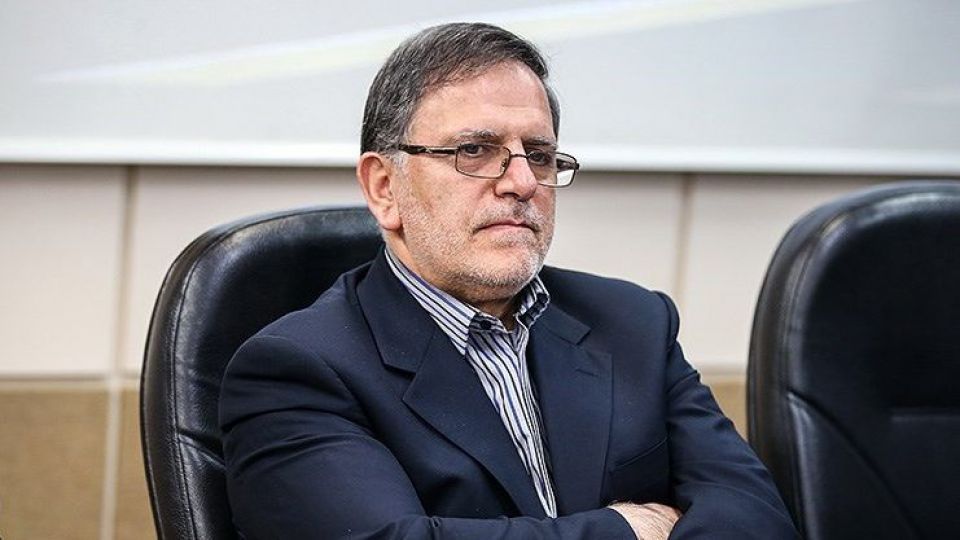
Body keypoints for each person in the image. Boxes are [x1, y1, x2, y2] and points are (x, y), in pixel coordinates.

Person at [219, 22, 798, 539]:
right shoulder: (298, 370)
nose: (521, 182)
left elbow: (755, 515)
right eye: (474, 150)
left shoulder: (634, 322)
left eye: (539, 155)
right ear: (384, 187)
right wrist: (626, 528)